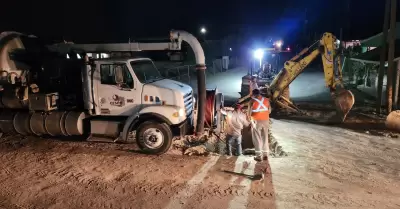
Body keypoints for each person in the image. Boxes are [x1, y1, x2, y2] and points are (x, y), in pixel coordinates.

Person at [248, 88, 271, 162]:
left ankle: (258, 156)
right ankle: (266, 155)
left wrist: (250, 120)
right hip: (266, 121)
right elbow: (269, 111)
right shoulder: (267, 100)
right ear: (260, 93)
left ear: (253, 94)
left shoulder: (252, 101)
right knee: (265, 137)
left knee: (257, 138)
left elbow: (249, 114)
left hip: (256, 121)